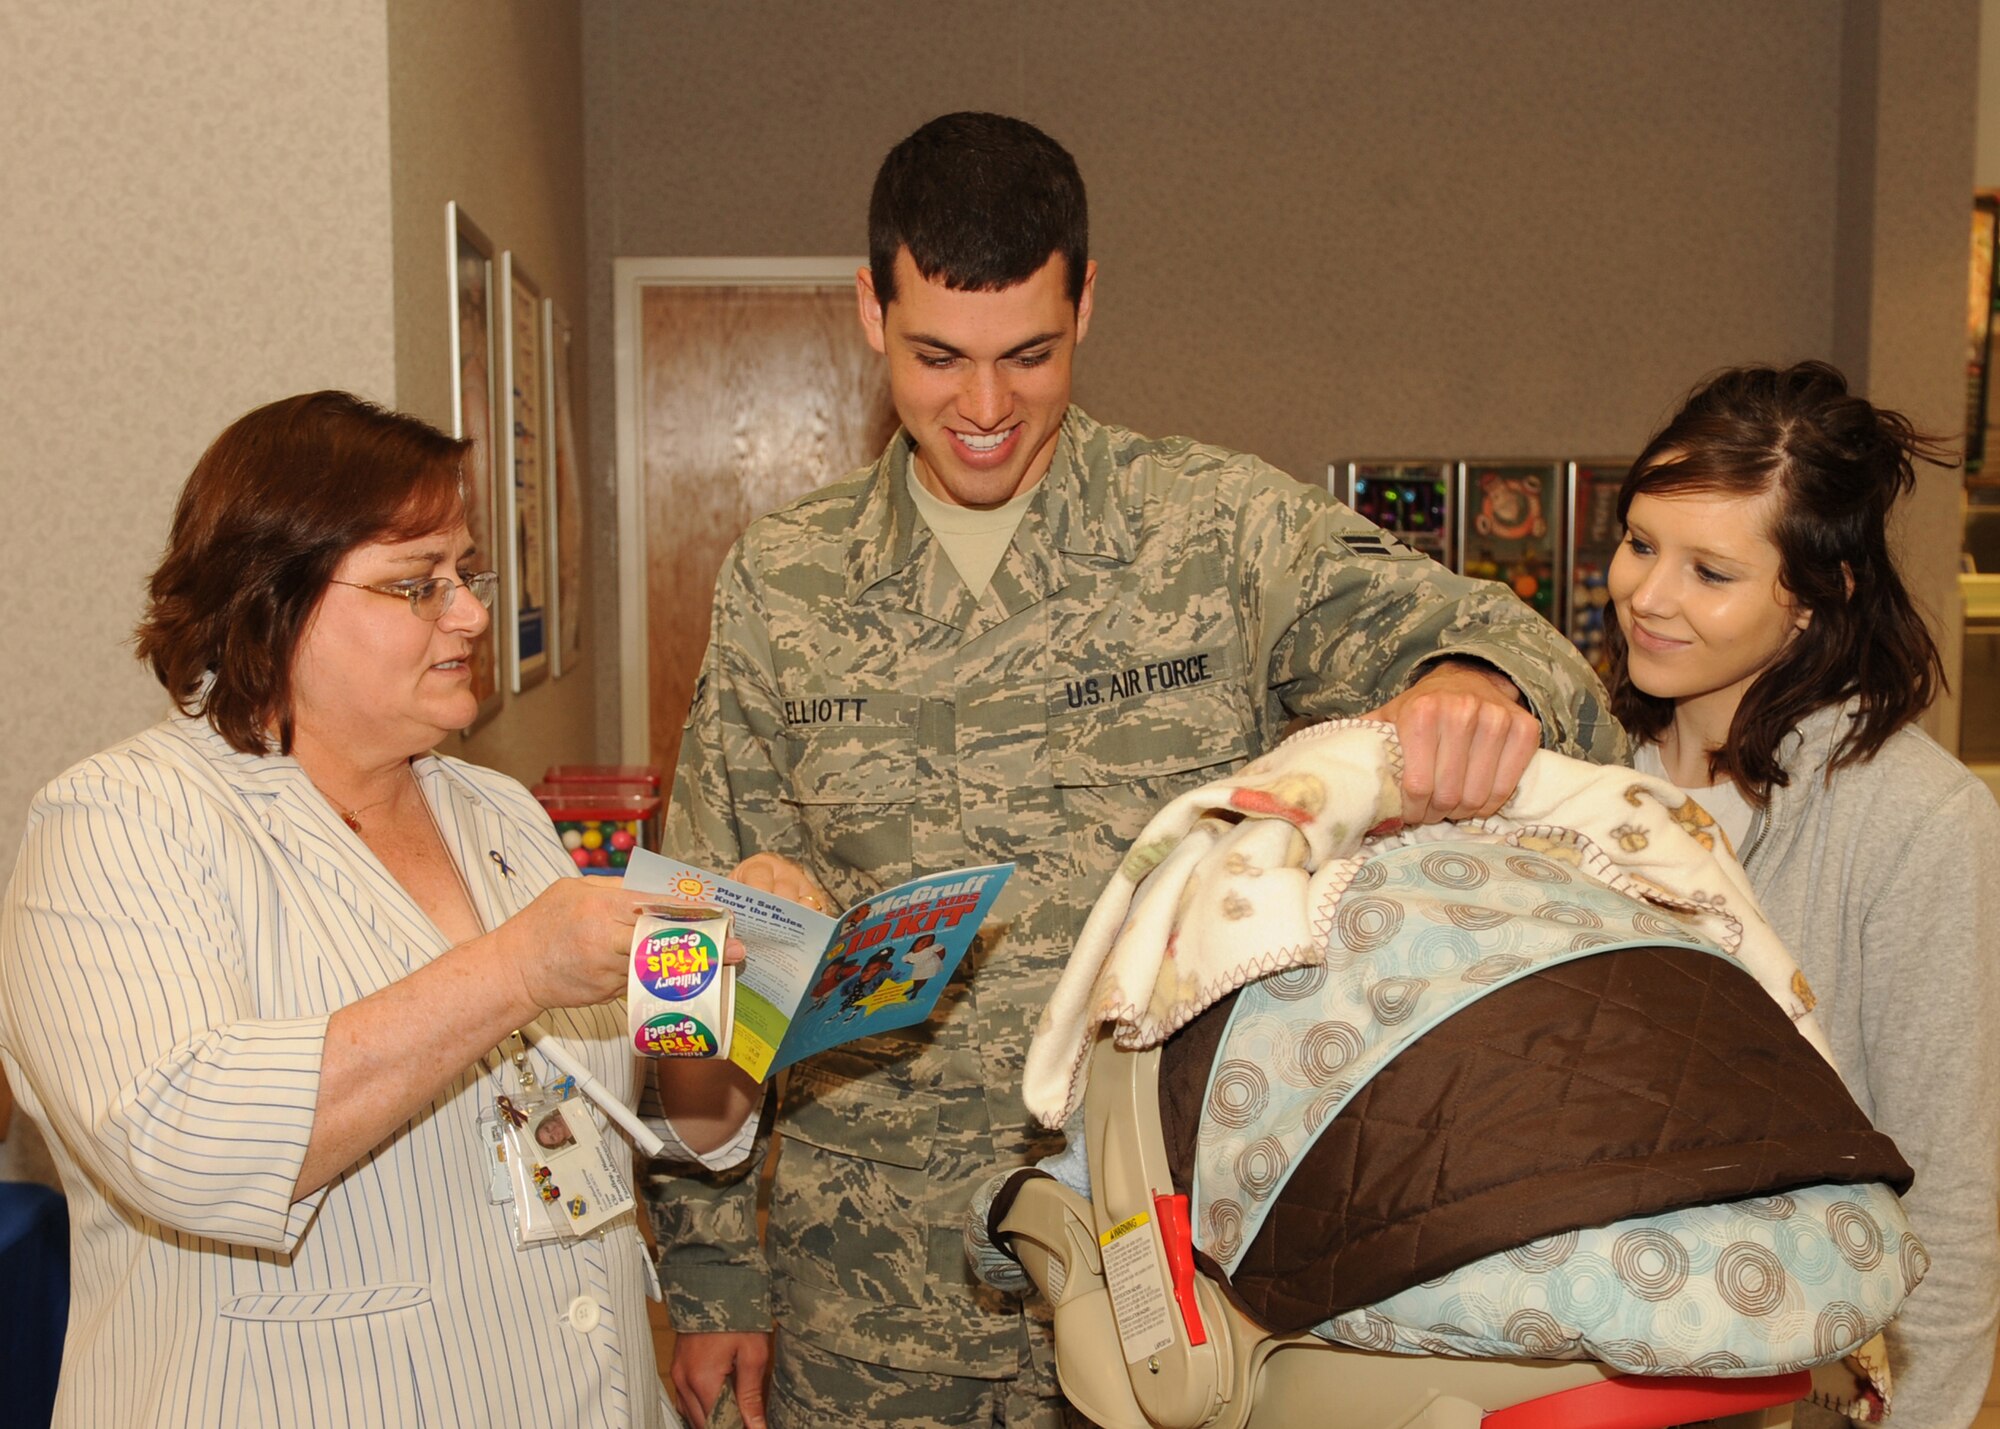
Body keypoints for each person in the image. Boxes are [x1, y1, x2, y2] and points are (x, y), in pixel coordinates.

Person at [648, 111, 1624, 1429]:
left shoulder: (1214, 531)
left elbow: (1522, 653)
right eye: (939, 356)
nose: (983, 408)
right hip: (866, 1287)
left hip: (1166, 1276)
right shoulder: (784, 580)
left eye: (1027, 355)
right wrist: (711, 1273)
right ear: (869, 312)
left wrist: (1474, 686)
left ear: (1088, 304)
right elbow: (704, 946)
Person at [0, 392, 738, 1429]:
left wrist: (740, 965)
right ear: (272, 599)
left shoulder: (496, 810)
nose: (472, 613)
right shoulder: (120, 822)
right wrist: (519, 967)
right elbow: (185, 1141)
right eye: (416, 585)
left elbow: (660, 1117)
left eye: (464, 574)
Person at [1604, 361, 2000, 1427]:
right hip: (1580, 1365)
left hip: (1797, 1383)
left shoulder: (1916, 823)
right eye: (1639, 543)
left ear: (1818, 593)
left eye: (1708, 571)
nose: (1647, 595)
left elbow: (1949, 1200)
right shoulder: (1575, 775)